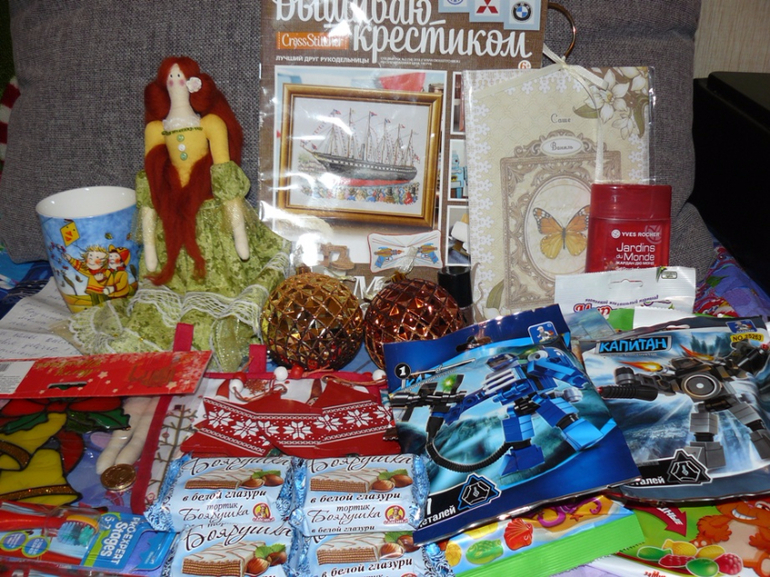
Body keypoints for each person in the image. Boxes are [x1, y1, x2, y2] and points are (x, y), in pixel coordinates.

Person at [66, 57, 289, 370]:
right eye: (169, 79)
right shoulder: (156, 130)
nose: (175, 83)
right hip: (171, 219)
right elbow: (150, 185)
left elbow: (225, 179)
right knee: (159, 292)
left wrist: (240, 236)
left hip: (211, 219)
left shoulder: (212, 124)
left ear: (194, 84)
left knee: (226, 278)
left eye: (180, 78)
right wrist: (151, 249)